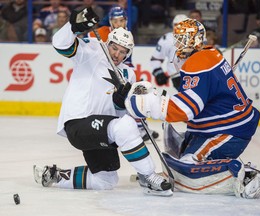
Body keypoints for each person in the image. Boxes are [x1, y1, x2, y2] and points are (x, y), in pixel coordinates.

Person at [125, 18, 260, 199]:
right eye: (178, 39)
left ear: (195, 39)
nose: (178, 44)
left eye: (183, 39)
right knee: (181, 155)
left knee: (188, 167)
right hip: (218, 125)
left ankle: (247, 175)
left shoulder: (199, 62)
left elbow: (186, 110)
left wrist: (148, 104)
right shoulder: (208, 54)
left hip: (228, 129)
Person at [33, 7, 172, 197]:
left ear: (128, 54)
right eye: (114, 47)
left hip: (100, 130)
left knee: (106, 180)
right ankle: (148, 176)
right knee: (124, 126)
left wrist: (122, 104)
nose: (117, 54)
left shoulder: (128, 74)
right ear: (108, 43)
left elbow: (122, 116)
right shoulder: (91, 50)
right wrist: (73, 27)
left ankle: (56, 175)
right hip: (78, 122)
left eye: (123, 52)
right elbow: (60, 45)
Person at [89, 6, 159, 142]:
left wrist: (132, 79)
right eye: (115, 21)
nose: (118, 24)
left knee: (135, 95)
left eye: (121, 21)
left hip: (120, 71)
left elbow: (127, 62)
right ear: (110, 21)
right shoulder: (100, 33)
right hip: (102, 72)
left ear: (126, 21)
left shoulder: (128, 35)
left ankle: (140, 128)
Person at [150, 14, 188, 91]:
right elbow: (156, 59)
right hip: (177, 77)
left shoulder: (197, 37)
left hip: (197, 74)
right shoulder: (167, 39)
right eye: (176, 25)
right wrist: (159, 73)